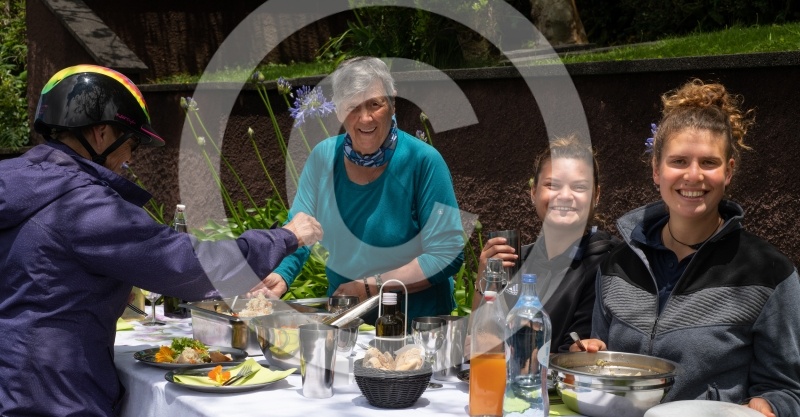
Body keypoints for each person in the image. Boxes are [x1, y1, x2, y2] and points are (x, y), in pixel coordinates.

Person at [0, 65, 322, 417]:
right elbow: (186, 265)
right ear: (101, 133)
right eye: (132, 143)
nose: (130, 159)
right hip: (55, 397)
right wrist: (285, 237)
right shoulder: (80, 204)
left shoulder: (16, 185)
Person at [574, 79, 800, 417]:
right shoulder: (616, 266)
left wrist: (768, 406)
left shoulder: (770, 274)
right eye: (679, 161)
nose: (693, 176)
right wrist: (589, 360)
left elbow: (788, 391)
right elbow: (603, 365)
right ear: (656, 170)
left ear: (728, 172)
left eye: (708, 162)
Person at [252, 57, 464, 323]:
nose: (365, 118)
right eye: (352, 106)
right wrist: (281, 274)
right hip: (346, 320)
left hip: (416, 325)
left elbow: (447, 253)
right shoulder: (323, 158)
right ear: (338, 110)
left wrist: (371, 287)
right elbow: (300, 229)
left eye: (375, 104)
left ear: (393, 102)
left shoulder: (423, 161)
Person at [475, 135, 619, 352]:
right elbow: (481, 340)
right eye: (552, 185)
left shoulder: (610, 263)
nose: (564, 196)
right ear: (533, 192)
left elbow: (580, 352)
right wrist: (485, 281)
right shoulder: (516, 259)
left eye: (579, 187)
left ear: (596, 195)